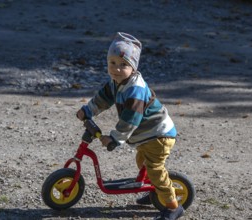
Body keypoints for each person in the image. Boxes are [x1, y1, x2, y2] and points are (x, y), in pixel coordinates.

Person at [76, 32, 184, 220]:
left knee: (155, 170)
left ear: (133, 67)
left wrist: (115, 138)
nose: (117, 69)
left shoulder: (135, 89)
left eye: (124, 64)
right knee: (142, 162)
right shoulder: (117, 82)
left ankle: (173, 207)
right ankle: (155, 192)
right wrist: (88, 110)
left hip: (159, 134)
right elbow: (103, 98)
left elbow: (130, 120)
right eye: (113, 63)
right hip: (147, 135)